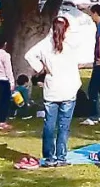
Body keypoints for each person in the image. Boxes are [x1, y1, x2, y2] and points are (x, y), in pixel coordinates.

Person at [21, 12, 82, 167]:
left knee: (49, 124)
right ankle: (61, 157)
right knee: (64, 125)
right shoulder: (72, 44)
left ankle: (49, 157)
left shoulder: (45, 44)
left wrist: (41, 68)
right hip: (69, 88)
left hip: (52, 89)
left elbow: (29, 55)